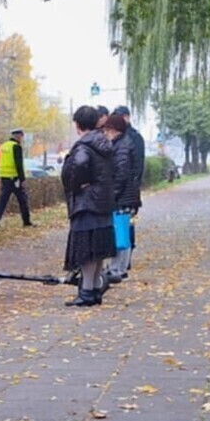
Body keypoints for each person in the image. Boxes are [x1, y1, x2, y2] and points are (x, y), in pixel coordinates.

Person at [61, 106, 116, 307]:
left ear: (78, 124)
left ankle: (85, 292)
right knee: (99, 249)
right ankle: (94, 290)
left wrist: (75, 185)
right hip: (103, 201)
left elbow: (79, 165)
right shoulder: (104, 143)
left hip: (87, 202)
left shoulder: (83, 145)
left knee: (86, 250)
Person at [103, 113, 139, 283]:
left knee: (120, 232)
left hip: (123, 197)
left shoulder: (122, 146)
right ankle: (119, 268)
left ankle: (118, 269)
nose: (105, 134)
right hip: (127, 196)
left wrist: (112, 194)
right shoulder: (124, 143)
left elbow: (121, 173)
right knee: (122, 231)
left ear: (114, 130)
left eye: (107, 130)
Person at [113, 105, 145, 272]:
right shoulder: (122, 136)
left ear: (127, 117)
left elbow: (138, 164)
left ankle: (127, 256)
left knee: (128, 224)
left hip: (129, 190)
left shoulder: (134, 137)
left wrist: (134, 184)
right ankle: (122, 259)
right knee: (122, 224)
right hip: (124, 189)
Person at [0, 128, 33, 228]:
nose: (22, 139)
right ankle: (26, 221)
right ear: (18, 136)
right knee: (22, 199)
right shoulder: (16, 147)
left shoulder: (3, 146)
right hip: (14, 178)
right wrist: (22, 179)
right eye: (21, 137)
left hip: (4, 177)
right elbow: (19, 164)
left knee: (3, 200)